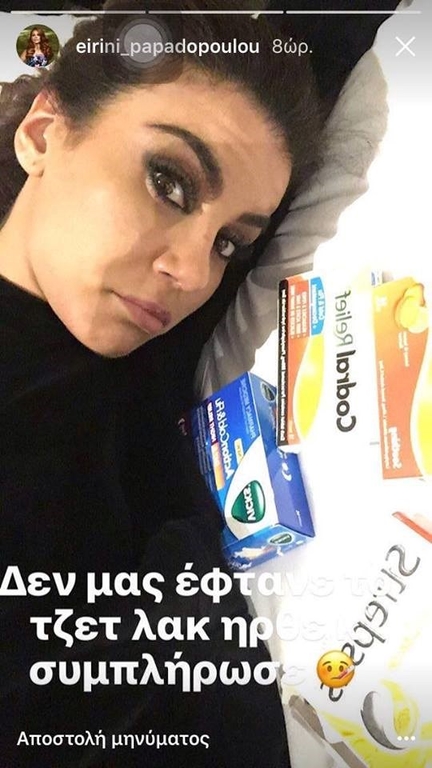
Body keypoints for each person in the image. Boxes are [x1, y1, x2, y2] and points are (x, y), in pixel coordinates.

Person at [0, 1, 322, 766]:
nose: (191, 271)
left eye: (229, 242)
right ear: (43, 135)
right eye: (169, 183)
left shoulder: (152, 324)